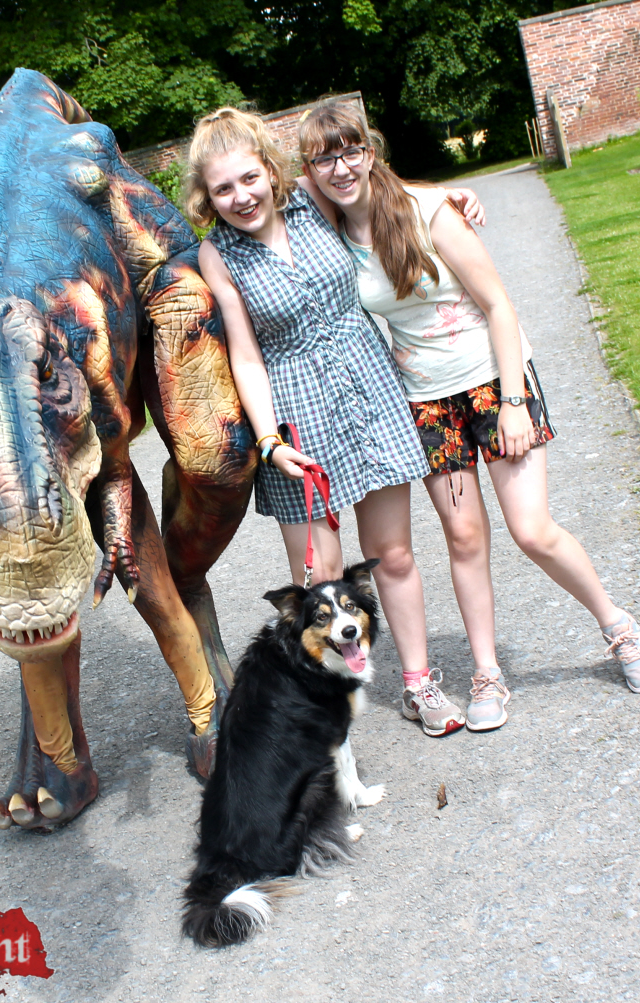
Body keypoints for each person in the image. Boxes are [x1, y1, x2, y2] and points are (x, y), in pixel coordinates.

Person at [297, 102, 640, 733]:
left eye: (351, 151)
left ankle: (619, 628)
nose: (340, 167)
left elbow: (498, 304)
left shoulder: (427, 211)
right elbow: (277, 188)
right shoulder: (333, 232)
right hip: (426, 400)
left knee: (531, 530)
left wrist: (515, 403)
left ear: (371, 151)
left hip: (496, 383)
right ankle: (487, 672)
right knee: (465, 539)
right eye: (323, 158)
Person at [185, 107, 483, 737]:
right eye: (223, 189)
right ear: (207, 197)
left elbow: (373, 186)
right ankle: (328, 719)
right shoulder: (218, 253)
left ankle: (418, 685)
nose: (241, 197)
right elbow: (245, 352)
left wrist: (444, 195)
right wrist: (269, 441)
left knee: (392, 554)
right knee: (319, 579)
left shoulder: (311, 200)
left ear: (270, 171)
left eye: (249, 178)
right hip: (294, 419)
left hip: (368, 391)